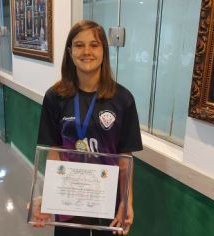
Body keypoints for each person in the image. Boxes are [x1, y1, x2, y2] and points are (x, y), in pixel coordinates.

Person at [34, 20, 143, 236]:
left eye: (94, 45)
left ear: (104, 50)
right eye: (79, 45)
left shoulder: (123, 99)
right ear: (70, 51)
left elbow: (124, 159)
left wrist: (125, 200)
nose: (86, 51)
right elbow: (54, 152)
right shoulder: (55, 97)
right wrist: (46, 196)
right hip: (69, 197)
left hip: (107, 199)